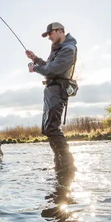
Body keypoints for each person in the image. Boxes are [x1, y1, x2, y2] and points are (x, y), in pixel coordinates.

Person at [25, 22, 77, 173]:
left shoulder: (68, 49)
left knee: (53, 128)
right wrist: (35, 59)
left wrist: (34, 68)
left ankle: (67, 166)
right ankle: (60, 164)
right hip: (51, 91)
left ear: (60, 31)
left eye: (50, 34)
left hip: (57, 90)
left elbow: (52, 70)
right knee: (48, 129)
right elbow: (48, 65)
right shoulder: (59, 49)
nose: (49, 37)